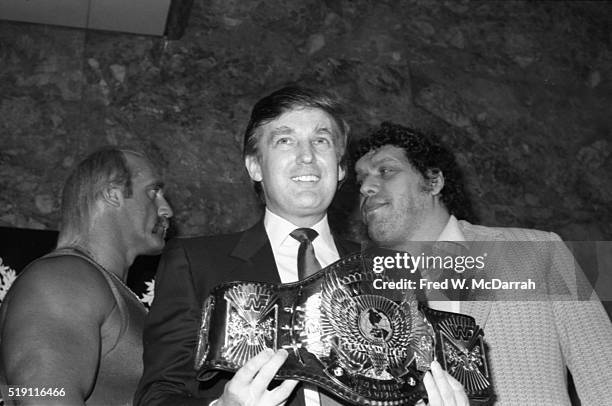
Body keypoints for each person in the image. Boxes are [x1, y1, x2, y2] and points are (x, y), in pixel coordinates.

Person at [136, 87, 466, 406]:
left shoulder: (391, 270)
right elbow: (158, 395)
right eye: (285, 140)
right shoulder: (195, 263)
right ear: (254, 165)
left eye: (321, 141)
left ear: (339, 168)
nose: (306, 156)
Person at [354, 122, 612, 405]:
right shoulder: (361, 294)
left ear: (433, 181)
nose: (366, 187)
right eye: (360, 180)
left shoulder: (538, 251)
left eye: (385, 171)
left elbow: (604, 376)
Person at [0, 148, 173, 405]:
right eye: (153, 192)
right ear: (112, 194)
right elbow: (39, 398)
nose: (166, 209)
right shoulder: (63, 280)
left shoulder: (96, 283)